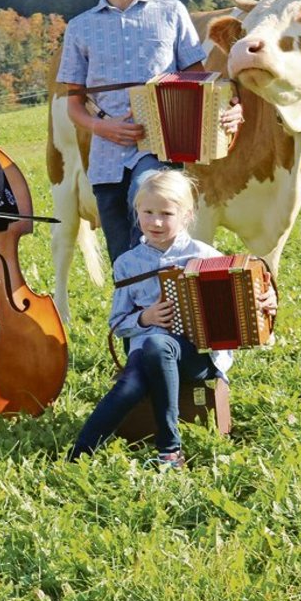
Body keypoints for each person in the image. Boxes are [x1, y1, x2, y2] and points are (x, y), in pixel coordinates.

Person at [56, 0, 243, 265]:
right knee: (123, 264)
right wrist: (102, 127)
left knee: (157, 245)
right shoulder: (79, 27)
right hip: (106, 161)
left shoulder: (171, 12)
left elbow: (199, 83)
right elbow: (74, 105)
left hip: (161, 151)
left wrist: (231, 109)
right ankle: (133, 318)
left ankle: (169, 312)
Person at [66, 169, 276, 467]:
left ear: (187, 215)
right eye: (147, 212)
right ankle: (79, 455)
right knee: (134, 377)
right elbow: (117, 324)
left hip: (197, 357)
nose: (155, 221)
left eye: (166, 213)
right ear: (136, 211)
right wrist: (144, 317)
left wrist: (267, 300)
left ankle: (169, 448)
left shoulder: (204, 255)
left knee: (154, 346)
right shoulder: (128, 263)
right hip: (145, 354)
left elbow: (247, 290)